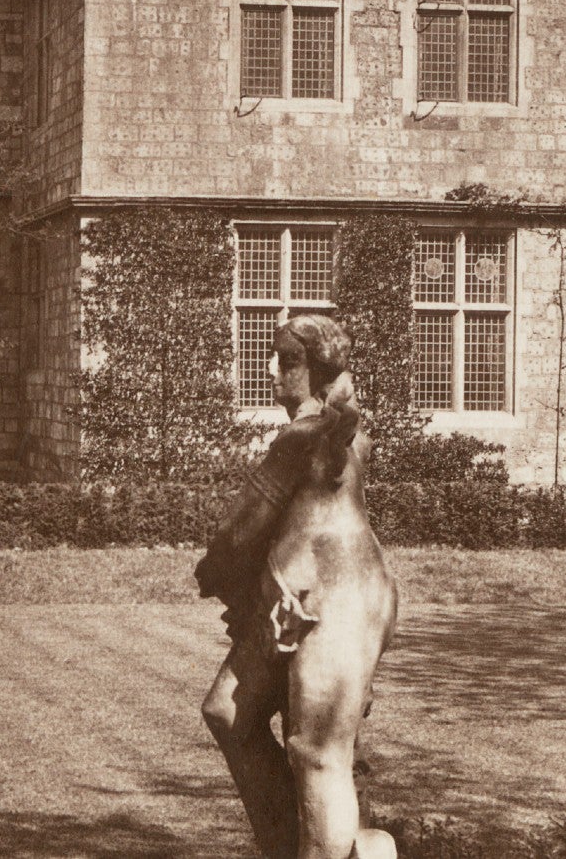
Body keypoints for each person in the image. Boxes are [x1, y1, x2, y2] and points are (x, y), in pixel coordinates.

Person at [196, 314, 400, 859]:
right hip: (300, 595)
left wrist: (213, 570)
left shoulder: (306, 436)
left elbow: (242, 527)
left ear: (317, 370)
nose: (272, 370)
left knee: (316, 752)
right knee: (228, 712)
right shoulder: (335, 432)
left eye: (287, 361)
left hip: (335, 598)